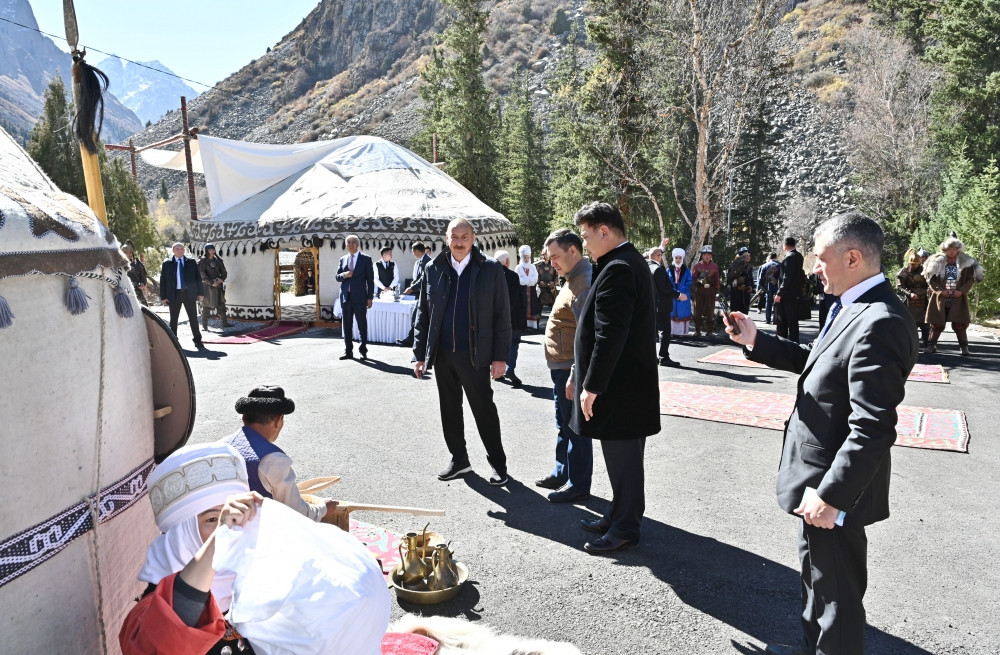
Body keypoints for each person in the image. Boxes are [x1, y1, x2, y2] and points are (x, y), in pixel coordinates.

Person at [724, 212, 918, 655]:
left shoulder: (881, 320)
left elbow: (872, 426)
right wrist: (757, 340)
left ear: (852, 258)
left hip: (833, 488)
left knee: (837, 599)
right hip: (817, 481)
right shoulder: (852, 305)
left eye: (821, 258)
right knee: (816, 579)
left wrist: (832, 495)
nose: (814, 268)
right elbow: (819, 361)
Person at [570, 202, 660, 555]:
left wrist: (591, 386)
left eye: (586, 236)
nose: (585, 244)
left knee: (625, 463)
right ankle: (617, 514)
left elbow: (610, 334)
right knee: (623, 462)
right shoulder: (623, 262)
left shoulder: (619, 268)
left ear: (604, 231)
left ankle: (625, 528)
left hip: (621, 389)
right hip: (627, 387)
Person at [412, 218, 512, 486]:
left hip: (476, 354)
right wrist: (419, 354)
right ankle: (459, 459)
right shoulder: (434, 268)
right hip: (443, 353)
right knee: (449, 409)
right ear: (446, 239)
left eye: (464, 237)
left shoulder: (490, 268)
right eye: (454, 237)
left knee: (483, 409)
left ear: (473, 238)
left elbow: (502, 314)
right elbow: (423, 312)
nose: (459, 242)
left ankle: (498, 464)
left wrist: (500, 356)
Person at [535, 228, 594, 503]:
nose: (552, 263)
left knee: (575, 427)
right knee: (564, 423)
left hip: (571, 369)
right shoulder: (572, 278)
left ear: (573, 251)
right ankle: (563, 472)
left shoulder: (583, 283)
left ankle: (578, 484)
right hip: (562, 367)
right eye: (550, 258)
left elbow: (587, 335)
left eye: (555, 257)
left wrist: (574, 374)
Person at [220, 385, 335, 522]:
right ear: (277, 420)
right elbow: (297, 513)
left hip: (220, 528)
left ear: (244, 417)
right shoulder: (273, 459)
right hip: (258, 530)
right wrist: (323, 508)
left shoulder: (220, 446)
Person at [923, 236, 984, 355]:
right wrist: (940, 291)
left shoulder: (966, 262)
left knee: (960, 323)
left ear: (958, 250)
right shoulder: (936, 261)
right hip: (940, 297)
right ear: (945, 249)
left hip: (958, 297)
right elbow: (930, 279)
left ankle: (964, 347)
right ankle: (931, 345)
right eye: (949, 249)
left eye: (954, 249)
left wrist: (961, 291)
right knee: (936, 324)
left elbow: (970, 279)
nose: (952, 251)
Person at [335, 235, 374, 360]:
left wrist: (370, 298)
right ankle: (348, 351)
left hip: (360, 297)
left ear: (357, 244)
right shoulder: (342, 259)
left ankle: (363, 351)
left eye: (353, 242)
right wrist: (344, 275)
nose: (350, 244)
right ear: (346, 244)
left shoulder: (366, 259)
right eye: (348, 242)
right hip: (346, 297)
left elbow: (370, 280)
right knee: (347, 325)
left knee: (362, 325)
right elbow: (337, 277)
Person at [159, 242, 204, 348]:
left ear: (184, 250)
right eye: (177, 249)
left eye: (182, 249)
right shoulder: (167, 264)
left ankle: (197, 340)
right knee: (173, 320)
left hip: (189, 294)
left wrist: (200, 293)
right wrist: (163, 297)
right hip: (174, 294)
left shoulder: (191, 262)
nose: (180, 250)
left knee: (193, 318)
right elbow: (163, 281)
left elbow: (198, 278)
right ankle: (174, 341)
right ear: (173, 250)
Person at [647, 246, 683, 367]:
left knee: (652, 332)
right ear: (659, 256)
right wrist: (678, 295)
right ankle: (664, 357)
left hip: (651, 304)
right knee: (665, 332)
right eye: (660, 255)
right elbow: (664, 288)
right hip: (661, 305)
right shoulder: (658, 269)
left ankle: (651, 357)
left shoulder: (647, 266)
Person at [496, 250, 527, 387]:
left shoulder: (491, 275)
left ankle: (497, 372)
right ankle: (509, 369)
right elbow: (515, 299)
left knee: (497, 344)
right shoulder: (513, 276)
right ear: (507, 262)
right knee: (513, 344)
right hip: (513, 317)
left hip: (496, 318)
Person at [397, 242, 433, 348]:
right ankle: (412, 339)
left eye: (413, 251)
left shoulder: (427, 261)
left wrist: (412, 288)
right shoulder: (421, 261)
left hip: (426, 294)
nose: (413, 254)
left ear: (417, 251)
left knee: (417, 317)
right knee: (416, 317)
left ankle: (413, 340)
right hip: (420, 294)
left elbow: (423, 279)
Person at [896, 247, 931, 348]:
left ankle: (927, 343)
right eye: (913, 264)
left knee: (925, 323)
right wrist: (909, 294)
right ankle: (910, 344)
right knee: (910, 324)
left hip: (923, 299)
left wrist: (929, 288)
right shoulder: (904, 272)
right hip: (910, 301)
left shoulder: (925, 270)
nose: (915, 266)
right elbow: (900, 286)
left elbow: (931, 282)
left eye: (916, 264)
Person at [775, 236, 805, 343]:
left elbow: (787, 277)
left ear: (785, 245)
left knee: (784, 320)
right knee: (793, 321)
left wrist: (779, 293)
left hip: (787, 294)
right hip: (795, 292)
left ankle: (785, 343)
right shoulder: (799, 256)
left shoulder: (789, 257)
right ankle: (794, 342)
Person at [197, 243, 230, 330]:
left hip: (218, 285)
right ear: (206, 251)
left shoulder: (218, 260)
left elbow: (224, 272)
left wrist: (221, 279)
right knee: (207, 305)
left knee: (221, 304)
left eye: (213, 249)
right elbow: (202, 274)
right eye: (210, 250)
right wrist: (211, 283)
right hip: (208, 287)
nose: (212, 251)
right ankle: (204, 325)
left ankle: (225, 323)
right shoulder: (202, 261)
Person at [691, 245, 720, 338]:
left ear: (711, 256)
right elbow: (693, 279)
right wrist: (700, 282)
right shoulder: (697, 266)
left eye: (708, 254)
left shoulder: (715, 266)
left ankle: (709, 331)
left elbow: (717, 280)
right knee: (697, 311)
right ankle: (697, 330)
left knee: (710, 311)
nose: (706, 256)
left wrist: (717, 291)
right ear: (702, 255)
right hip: (699, 292)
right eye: (704, 254)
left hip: (711, 292)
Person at [668, 248, 693, 336]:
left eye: (679, 258)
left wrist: (681, 290)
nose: (678, 260)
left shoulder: (686, 270)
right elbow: (667, 281)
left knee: (682, 312)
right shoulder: (669, 270)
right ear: (673, 258)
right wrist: (674, 291)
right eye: (676, 258)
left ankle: (681, 332)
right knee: (672, 311)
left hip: (683, 293)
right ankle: (671, 332)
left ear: (682, 258)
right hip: (672, 294)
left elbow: (689, 281)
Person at [516, 245, 540, 330]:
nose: (526, 259)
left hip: (532, 291)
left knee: (533, 306)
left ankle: (532, 325)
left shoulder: (532, 267)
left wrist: (526, 280)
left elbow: (535, 279)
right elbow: (519, 280)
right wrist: (529, 280)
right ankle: (524, 325)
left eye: (528, 257)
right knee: (523, 306)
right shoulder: (518, 268)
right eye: (525, 257)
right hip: (522, 291)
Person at [727, 246, 754, 314]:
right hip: (736, 294)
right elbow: (729, 280)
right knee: (735, 314)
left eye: (749, 255)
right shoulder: (734, 266)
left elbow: (750, 279)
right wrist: (737, 285)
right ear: (741, 256)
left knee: (744, 314)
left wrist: (751, 287)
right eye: (746, 255)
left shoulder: (749, 267)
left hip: (746, 294)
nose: (748, 257)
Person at [759, 252, 781, 324]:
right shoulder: (780, 265)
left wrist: (761, 286)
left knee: (768, 302)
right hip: (778, 286)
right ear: (776, 257)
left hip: (768, 286)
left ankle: (768, 319)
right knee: (777, 303)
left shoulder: (764, 266)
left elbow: (761, 278)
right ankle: (775, 319)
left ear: (769, 257)